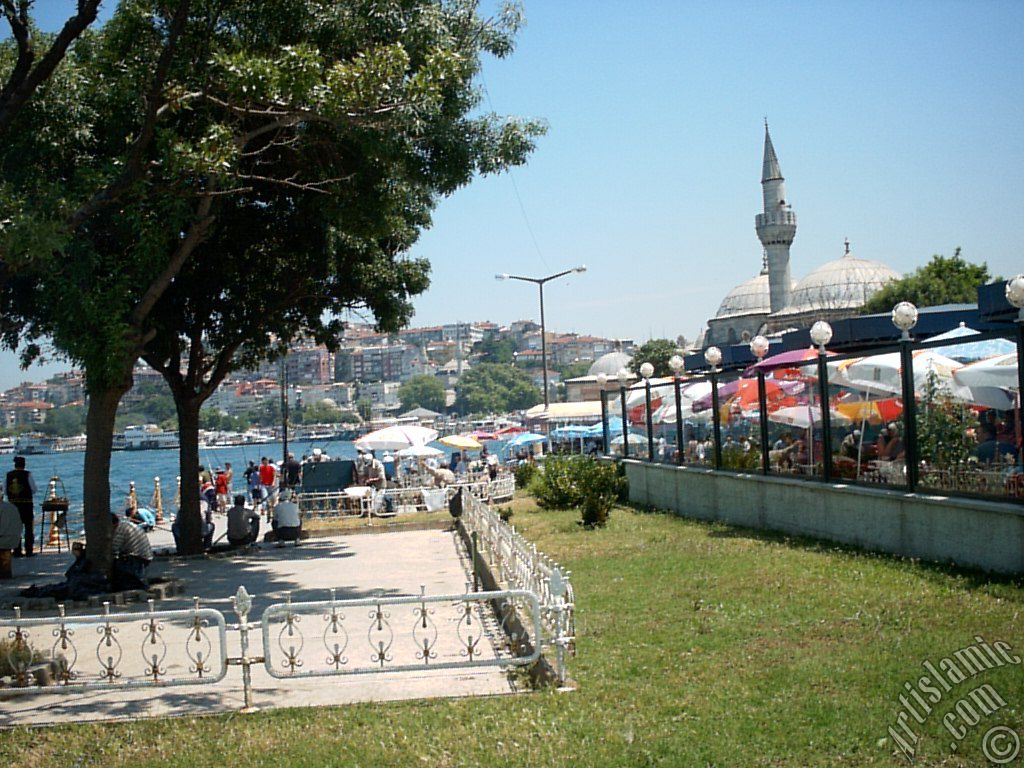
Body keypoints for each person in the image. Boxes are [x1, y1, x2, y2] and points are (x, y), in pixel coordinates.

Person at [110, 513, 153, 588]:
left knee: (116, 567)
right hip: (146, 554)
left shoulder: (119, 530)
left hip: (138, 558)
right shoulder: (125, 524)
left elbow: (113, 549)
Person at [5, 456, 36, 557]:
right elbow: (34, 489)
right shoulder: (27, 474)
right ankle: (29, 551)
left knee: (15, 528)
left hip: (13, 506)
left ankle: (17, 550)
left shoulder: (9, 475)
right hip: (26, 505)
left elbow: (5, 491)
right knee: (28, 528)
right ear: (24, 465)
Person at [0, 489, 21, 579]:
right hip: (14, 538)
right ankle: (6, 572)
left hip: (3, 539)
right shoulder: (12, 507)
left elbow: (2, 529)